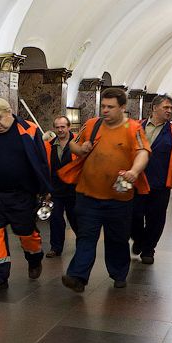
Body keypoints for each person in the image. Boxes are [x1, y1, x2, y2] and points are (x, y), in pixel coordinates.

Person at [61, 88, 150, 292]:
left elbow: (143, 152)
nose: (106, 110)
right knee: (86, 237)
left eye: (111, 107)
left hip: (118, 197)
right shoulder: (93, 124)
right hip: (87, 195)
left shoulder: (132, 128)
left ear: (122, 108)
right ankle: (77, 276)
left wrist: (134, 171)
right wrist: (80, 148)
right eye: (103, 106)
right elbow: (73, 144)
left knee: (117, 238)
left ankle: (119, 273)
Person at [0, 97, 51, 292]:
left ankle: (34, 258)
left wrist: (45, 190)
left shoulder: (29, 129)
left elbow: (41, 162)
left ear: (9, 112)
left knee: (26, 234)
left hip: (22, 196)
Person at [130, 95, 172, 265]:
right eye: (166, 107)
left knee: (156, 218)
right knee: (134, 215)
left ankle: (148, 249)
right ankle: (139, 239)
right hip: (137, 180)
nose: (169, 111)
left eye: (171, 108)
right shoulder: (136, 126)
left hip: (161, 182)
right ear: (154, 108)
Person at [43, 116, 77, 257]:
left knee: (75, 219)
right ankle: (56, 247)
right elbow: (46, 168)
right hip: (56, 189)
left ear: (69, 127)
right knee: (56, 219)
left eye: (63, 127)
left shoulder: (77, 142)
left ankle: (83, 244)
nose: (60, 130)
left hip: (74, 189)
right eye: (57, 127)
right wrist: (47, 189)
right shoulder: (50, 145)